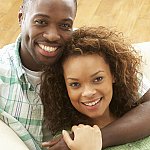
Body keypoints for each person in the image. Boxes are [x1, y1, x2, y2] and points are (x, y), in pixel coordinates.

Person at [0, 0, 150, 149]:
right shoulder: (3, 73)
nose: (52, 36)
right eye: (41, 22)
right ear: (21, 17)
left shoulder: (82, 50)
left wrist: (92, 140)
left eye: (65, 25)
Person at [40, 26, 150, 150]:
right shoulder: (65, 142)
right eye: (75, 84)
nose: (88, 92)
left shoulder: (138, 113)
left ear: (114, 75)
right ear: (64, 88)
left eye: (98, 79)